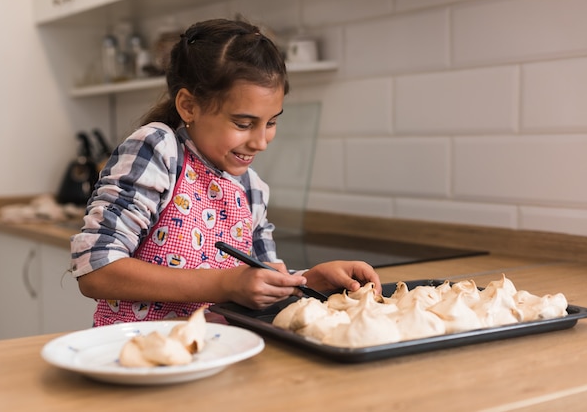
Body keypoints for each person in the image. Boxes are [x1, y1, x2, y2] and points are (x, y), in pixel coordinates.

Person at [70, 18, 381, 327]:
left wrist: (309, 279)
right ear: (189, 106)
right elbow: (96, 270)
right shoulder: (158, 150)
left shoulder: (251, 188)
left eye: (271, 122)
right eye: (243, 124)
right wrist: (225, 284)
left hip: (218, 353)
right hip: (136, 354)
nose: (261, 142)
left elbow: (260, 282)